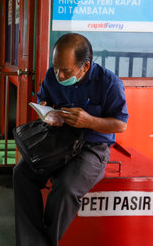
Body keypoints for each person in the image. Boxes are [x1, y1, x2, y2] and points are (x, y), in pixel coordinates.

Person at [13, 33, 129, 246]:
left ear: (85, 66)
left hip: (92, 147)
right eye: (56, 67)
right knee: (21, 173)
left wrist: (90, 121)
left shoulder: (109, 83)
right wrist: (48, 113)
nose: (59, 74)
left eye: (66, 71)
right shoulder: (52, 75)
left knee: (66, 187)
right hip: (58, 140)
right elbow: (43, 98)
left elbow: (120, 124)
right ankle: (30, 241)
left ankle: (45, 242)